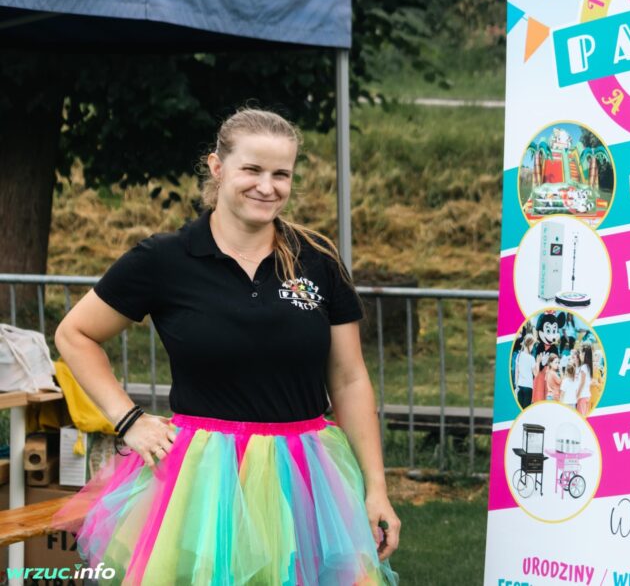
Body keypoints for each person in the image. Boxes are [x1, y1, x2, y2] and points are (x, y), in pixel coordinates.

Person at [52, 109, 399, 585]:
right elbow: (74, 334)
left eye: (281, 174)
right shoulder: (165, 259)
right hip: (202, 481)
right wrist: (128, 420)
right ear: (217, 167)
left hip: (306, 477)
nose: (267, 187)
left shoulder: (317, 260)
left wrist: (375, 487)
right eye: (252, 170)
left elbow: (349, 378)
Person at [514, 334, 537, 408]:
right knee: (526, 410)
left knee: (520, 409)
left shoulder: (519, 355)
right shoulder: (531, 358)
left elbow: (516, 372)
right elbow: (535, 374)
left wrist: (516, 386)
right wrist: (538, 362)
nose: (533, 347)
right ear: (529, 345)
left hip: (519, 386)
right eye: (532, 345)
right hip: (528, 387)